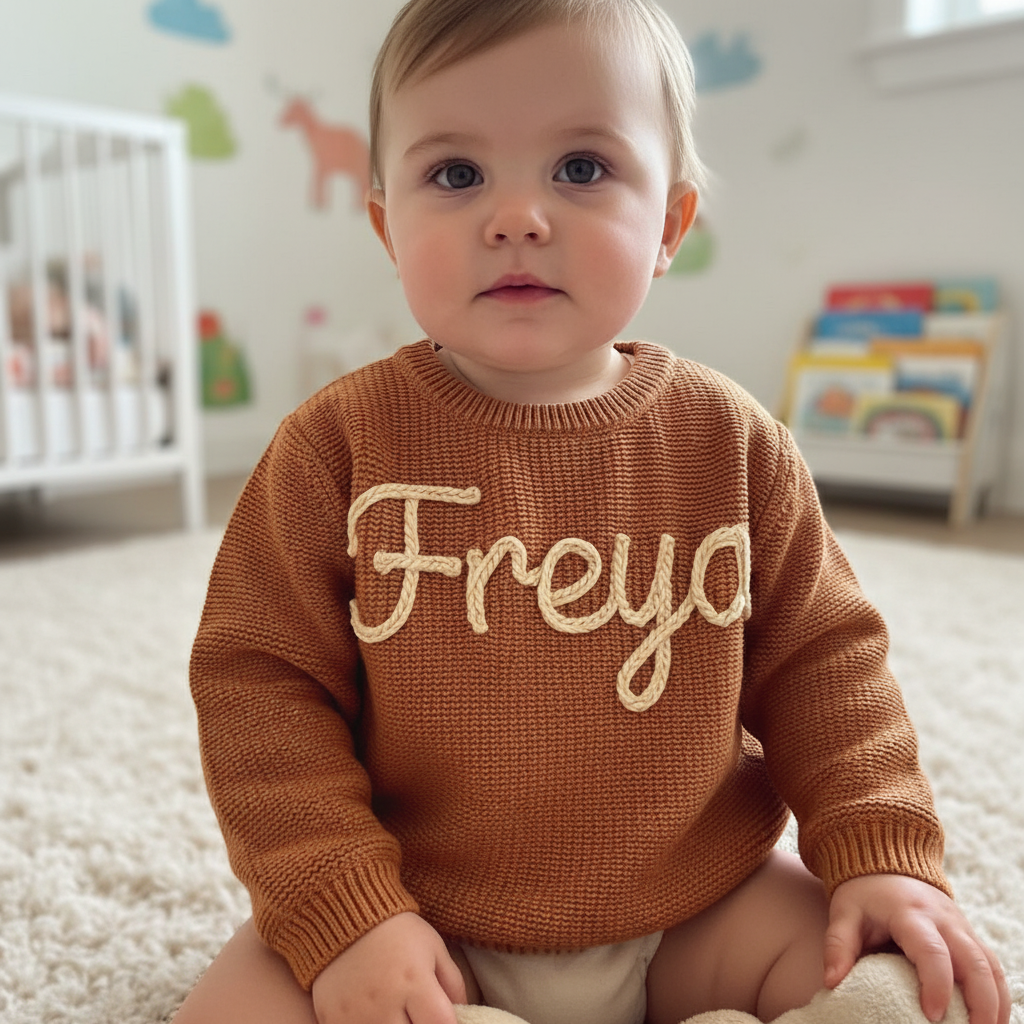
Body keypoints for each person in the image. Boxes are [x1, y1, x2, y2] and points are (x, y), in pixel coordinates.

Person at [176, 1, 1010, 1023]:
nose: (517, 216)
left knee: (908, 990)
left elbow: (826, 662)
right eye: (455, 174)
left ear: (666, 224)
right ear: (389, 225)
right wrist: (346, 913)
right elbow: (260, 690)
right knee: (228, 1010)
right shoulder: (332, 449)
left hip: (701, 906)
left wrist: (883, 851)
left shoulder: (733, 442)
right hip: (421, 919)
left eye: (580, 168)